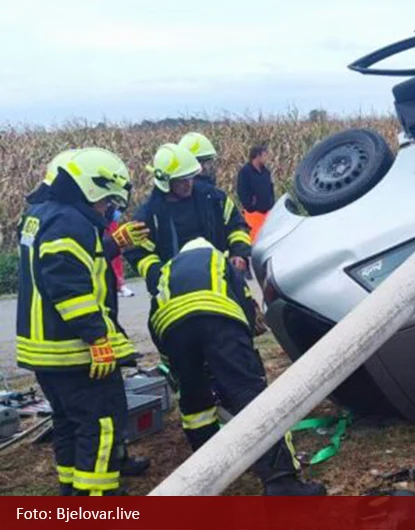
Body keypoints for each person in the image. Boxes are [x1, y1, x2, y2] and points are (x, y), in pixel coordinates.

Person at [147, 237, 324, 496]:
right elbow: (244, 300)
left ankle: (206, 476)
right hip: (219, 319)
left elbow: (154, 320)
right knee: (249, 395)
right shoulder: (216, 258)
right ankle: (281, 482)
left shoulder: (167, 270)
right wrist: (244, 348)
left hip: (172, 330)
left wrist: (174, 366)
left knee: (196, 406)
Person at [15, 148, 140, 496]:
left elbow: (71, 261)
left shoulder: (42, 215)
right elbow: (68, 285)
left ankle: (71, 494)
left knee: (68, 424)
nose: (107, 209)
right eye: (106, 201)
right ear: (89, 188)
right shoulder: (70, 222)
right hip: (73, 351)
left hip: (46, 353)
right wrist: (97, 338)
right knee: (99, 426)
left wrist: (111, 245)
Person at [124, 143, 251, 296]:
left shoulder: (213, 198)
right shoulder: (149, 215)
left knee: (247, 310)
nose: (188, 183)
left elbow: (236, 225)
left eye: (190, 177)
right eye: (181, 180)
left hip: (221, 278)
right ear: (166, 181)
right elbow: (138, 253)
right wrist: (158, 273)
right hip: (174, 288)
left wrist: (238, 253)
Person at [235, 143, 275, 243]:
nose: (267, 158)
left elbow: (270, 188)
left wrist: (271, 202)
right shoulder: (245, 172)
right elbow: (241, 191)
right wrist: (250, 205)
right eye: (265, 155)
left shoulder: (266, 172)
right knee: (255, 240)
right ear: (258, 156)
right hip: (253, 214)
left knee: (267, 240)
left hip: (267, 213)